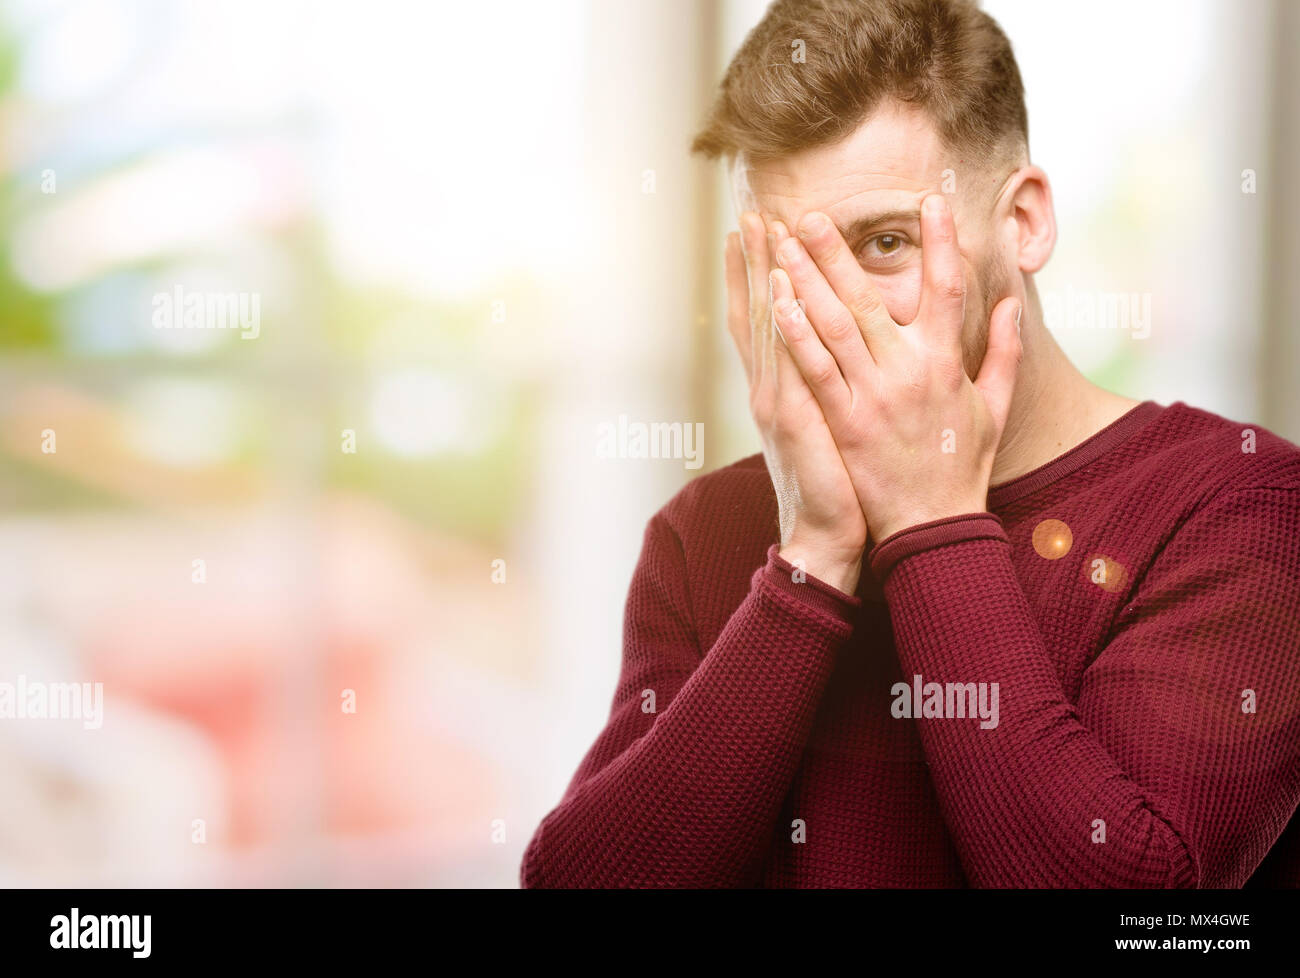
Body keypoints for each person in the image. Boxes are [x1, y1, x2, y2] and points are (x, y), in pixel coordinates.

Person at [522, 0, 1300, 888]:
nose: (831, 313)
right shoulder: (706, 530)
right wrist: (811, 559)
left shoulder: (1246, 504)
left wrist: (929, 520)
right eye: (794, 267)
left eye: (885, 243)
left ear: (1025, 223)